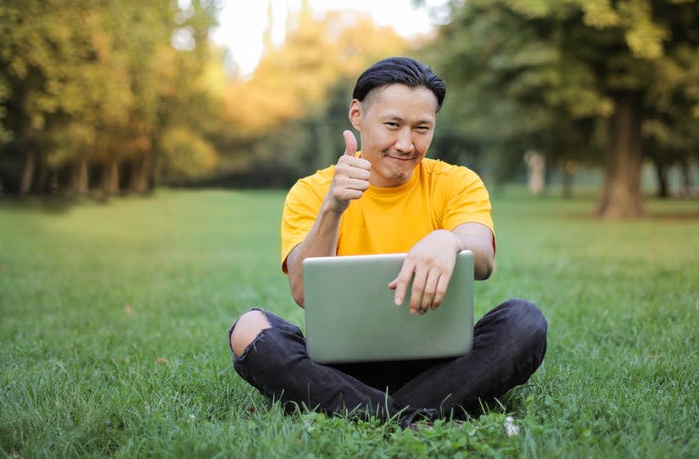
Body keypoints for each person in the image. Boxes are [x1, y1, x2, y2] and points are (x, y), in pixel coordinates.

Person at [228, 56, 547, 427]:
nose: (407, 144)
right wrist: (333, 208)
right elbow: (303, 292)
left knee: (525, 320)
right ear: (357, 115)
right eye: (392, 125)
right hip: (341, 366)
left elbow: (483, 256)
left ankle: (368, 412)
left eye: (422, 128)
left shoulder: (455, 182)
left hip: (438, 364)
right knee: (249, 329)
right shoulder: (312, 192)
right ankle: (413, 415)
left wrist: (448, 239)